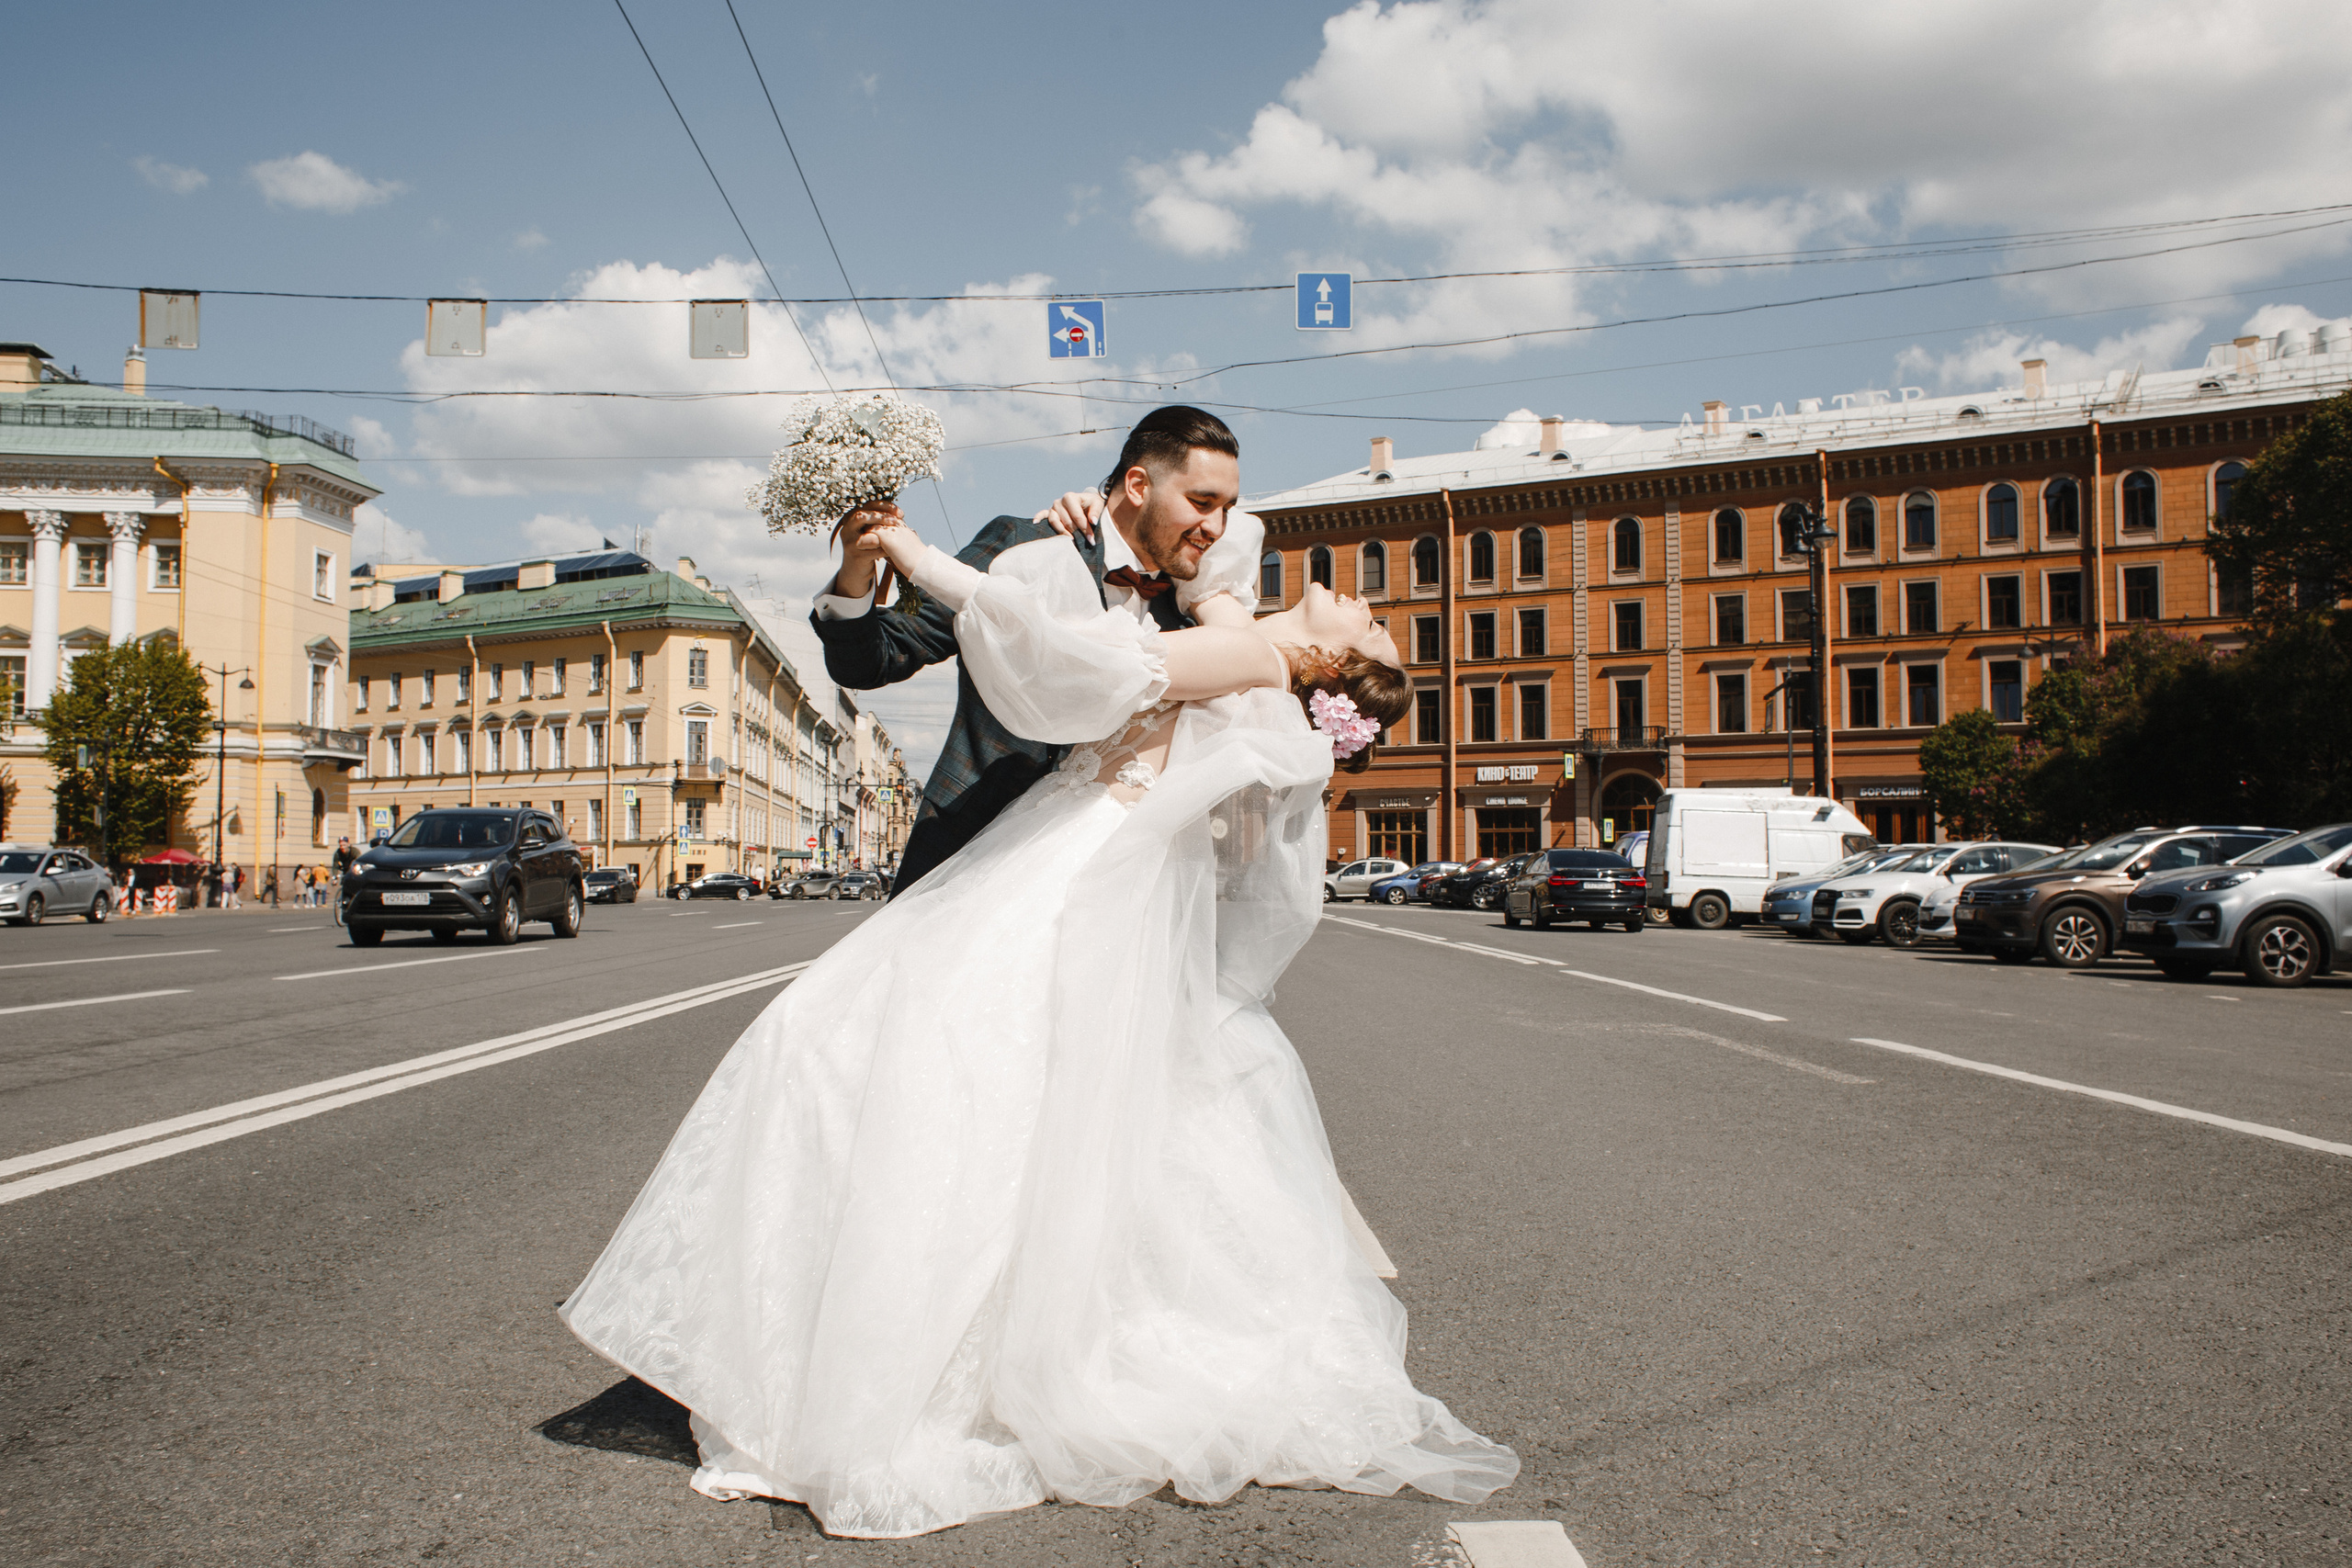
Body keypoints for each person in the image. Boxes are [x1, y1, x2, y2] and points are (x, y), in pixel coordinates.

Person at [560, 494, 1510, 1542]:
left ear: (1331, 664)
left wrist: (915, 550)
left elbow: (1073, 655)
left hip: (1068, 873)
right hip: (1038, 853)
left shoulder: (1250, 657)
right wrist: (1098, 517)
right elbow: (1217, 543)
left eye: (1374, 629)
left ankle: (885, 1352)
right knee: (943, 1077)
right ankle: (851, 1326)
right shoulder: (1233, 621)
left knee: (932, 1075)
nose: (1370, 605)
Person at [810, 406, 1242, 898]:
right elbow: (873, 662)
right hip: (973, 844)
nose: (1216, 526)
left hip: (1109, 878)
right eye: (1202, 502)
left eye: (1227, 508)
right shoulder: (1024, 544)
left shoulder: (1191, 610)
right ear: (1139, 486)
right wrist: (855, 569)